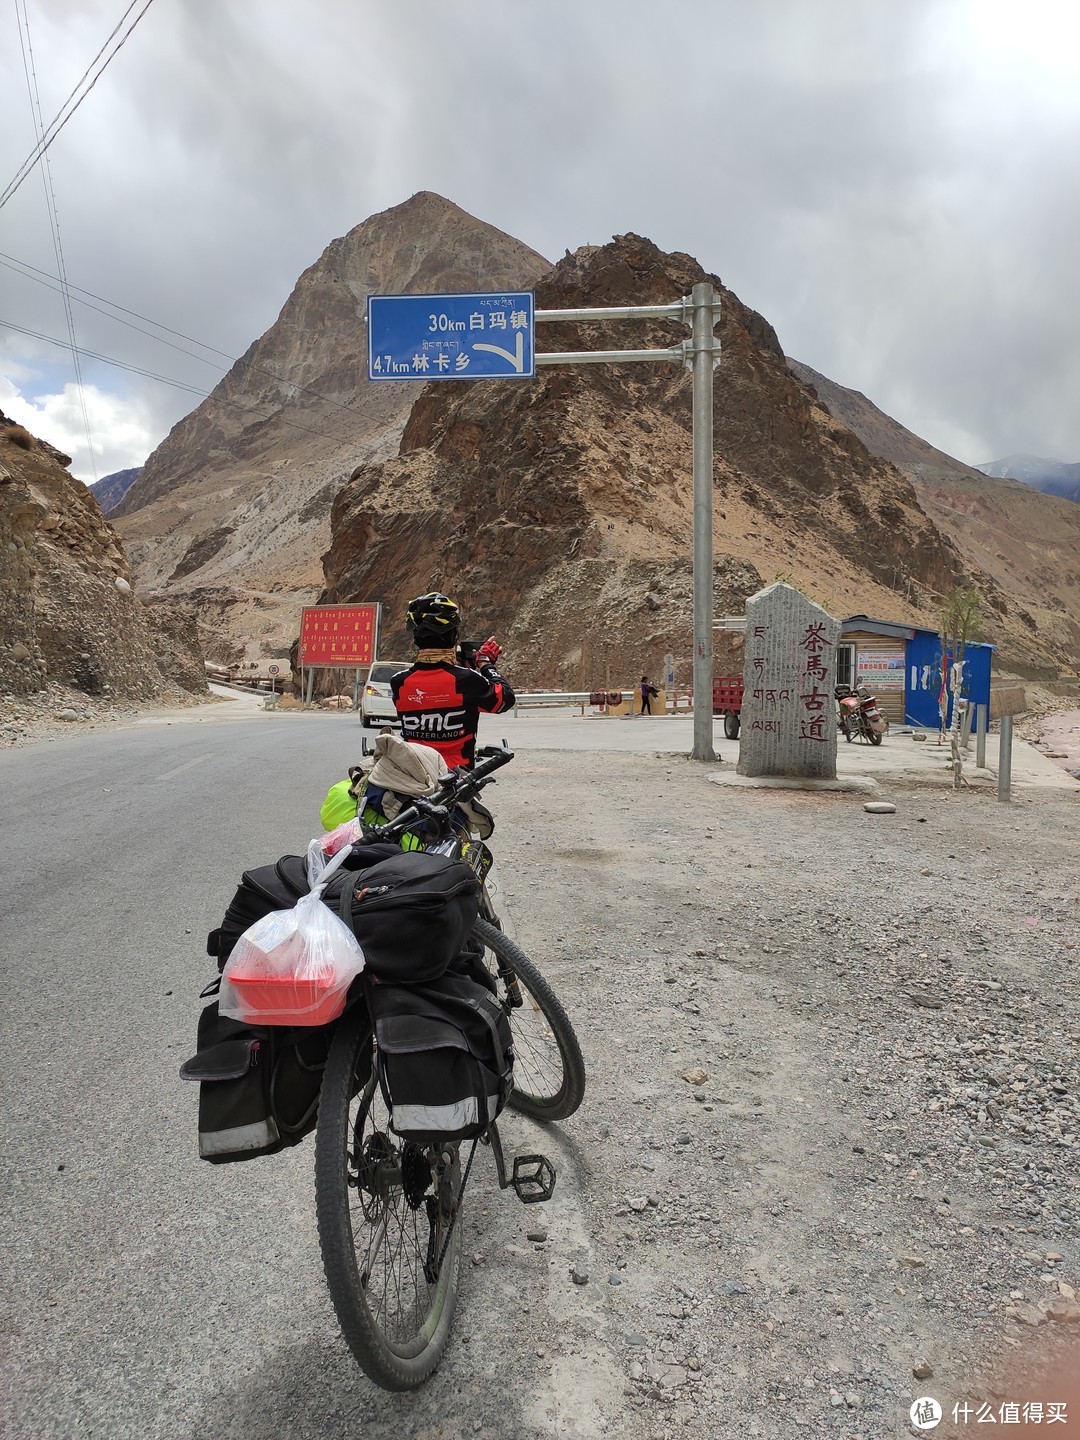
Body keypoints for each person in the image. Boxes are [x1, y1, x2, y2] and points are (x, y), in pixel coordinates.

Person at [391, 592, 515, 769]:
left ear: (416, 638)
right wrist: (486, 664)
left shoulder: (399, 682)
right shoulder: (466, 680)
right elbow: (505, 700)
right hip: (456, 779)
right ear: (452, 636)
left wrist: (464, 667)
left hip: (414, 776)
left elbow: (436, 694)